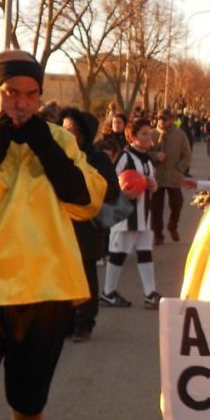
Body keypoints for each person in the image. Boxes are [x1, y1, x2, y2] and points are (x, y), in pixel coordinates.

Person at [0, 50, 106, 420]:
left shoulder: (58, 137)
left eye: (30, 94)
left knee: (29, 405)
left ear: (42, 97)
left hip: (46, 294)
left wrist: (41, 141)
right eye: (10, 93)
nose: (21, 103)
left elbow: (86, 203)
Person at [58, 107, 121, 340]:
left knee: (85, 276)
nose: (68, 133)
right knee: (62, 275)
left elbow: (112, 191)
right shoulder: (54, 155)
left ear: (85, 133)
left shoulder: (96, 158)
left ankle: (85, 323)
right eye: (64, 128)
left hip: (87, 226)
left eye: (73, 129)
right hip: (60, 225)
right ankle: (65, 322)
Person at [100, 116, 161, 309]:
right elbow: (109, 181)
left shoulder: (148, 160)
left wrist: (153, 185)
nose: (148, 137)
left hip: (144, 216)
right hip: (125, 216)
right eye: (143, 134)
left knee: (145, 253)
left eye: (150, 133)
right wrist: (123, 191)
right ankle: (108, 292)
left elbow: (151, 183)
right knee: (118, 253)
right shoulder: (125, 157)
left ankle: (150, 293)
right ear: (131, 136)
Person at [149, 108, 192, 245]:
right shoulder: (151, 134)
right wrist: (155, 156)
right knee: (156, 208)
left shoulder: (180, 135)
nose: (161, 121)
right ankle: (158, 235)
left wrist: (179, 169)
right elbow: (144, 152)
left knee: (177, 204)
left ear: (171, 120)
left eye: (164, 119)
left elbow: (187, 155)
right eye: (159, 118)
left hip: (174, 176)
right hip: (157, 177)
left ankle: (172, 225)